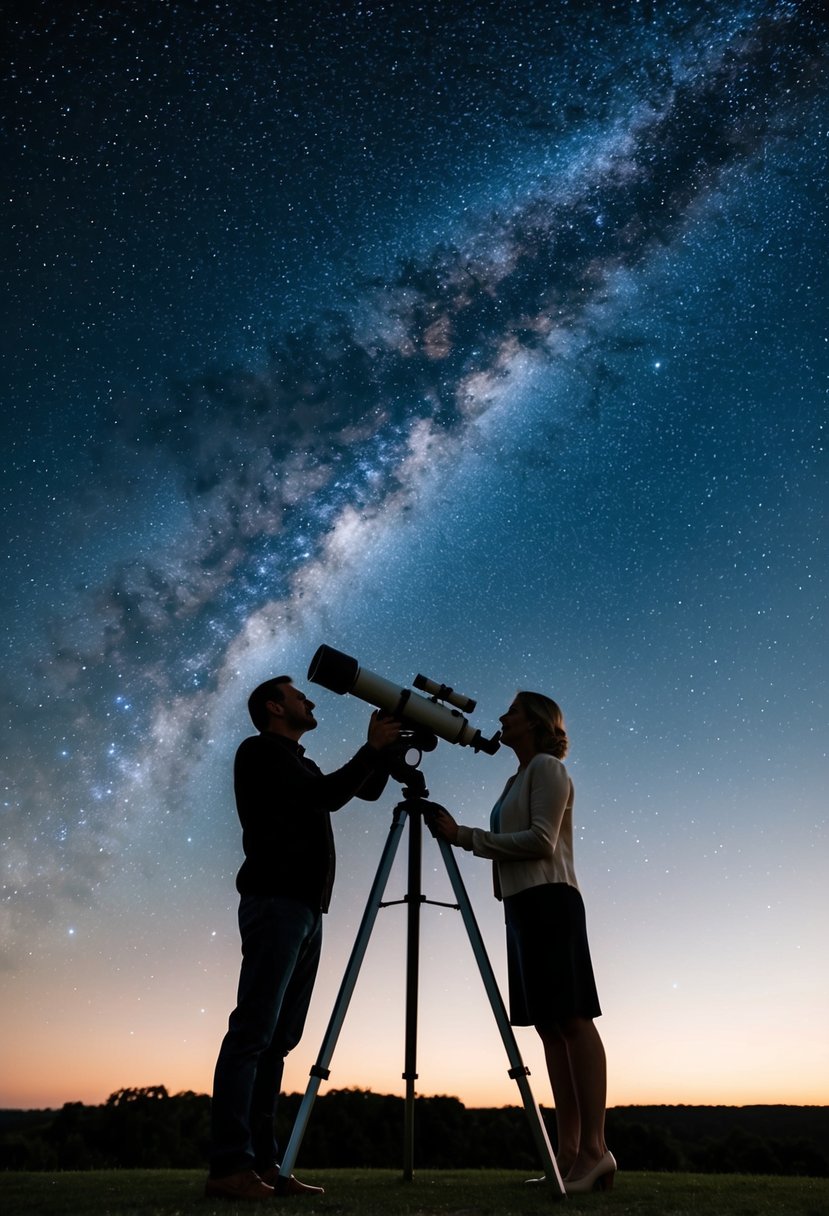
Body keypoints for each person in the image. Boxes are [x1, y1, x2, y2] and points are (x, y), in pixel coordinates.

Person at [206, 675, 400, 1201]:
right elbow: (327, 796)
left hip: (307, 910)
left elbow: (365, 788)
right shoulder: (260, 752)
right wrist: (370, 749)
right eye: (298, 696)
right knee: (252, 1034)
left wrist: (382, 750)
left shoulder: (302, 762)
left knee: (278, 1044)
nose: (310, 700)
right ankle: (229, 1165)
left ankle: (266, 1166)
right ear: (274, 707)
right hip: (276, 904)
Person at [428, 691, 615, 1195]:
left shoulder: (547, 770)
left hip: (551, 901)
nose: (501, 718)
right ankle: (568, 1155)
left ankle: (596, 1150)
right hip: (523, 906)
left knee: (573, 1019)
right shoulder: (515, 778)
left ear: (534, 723)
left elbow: (540, 841)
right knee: (551, 1031)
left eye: (511, 712)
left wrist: (464, 836)